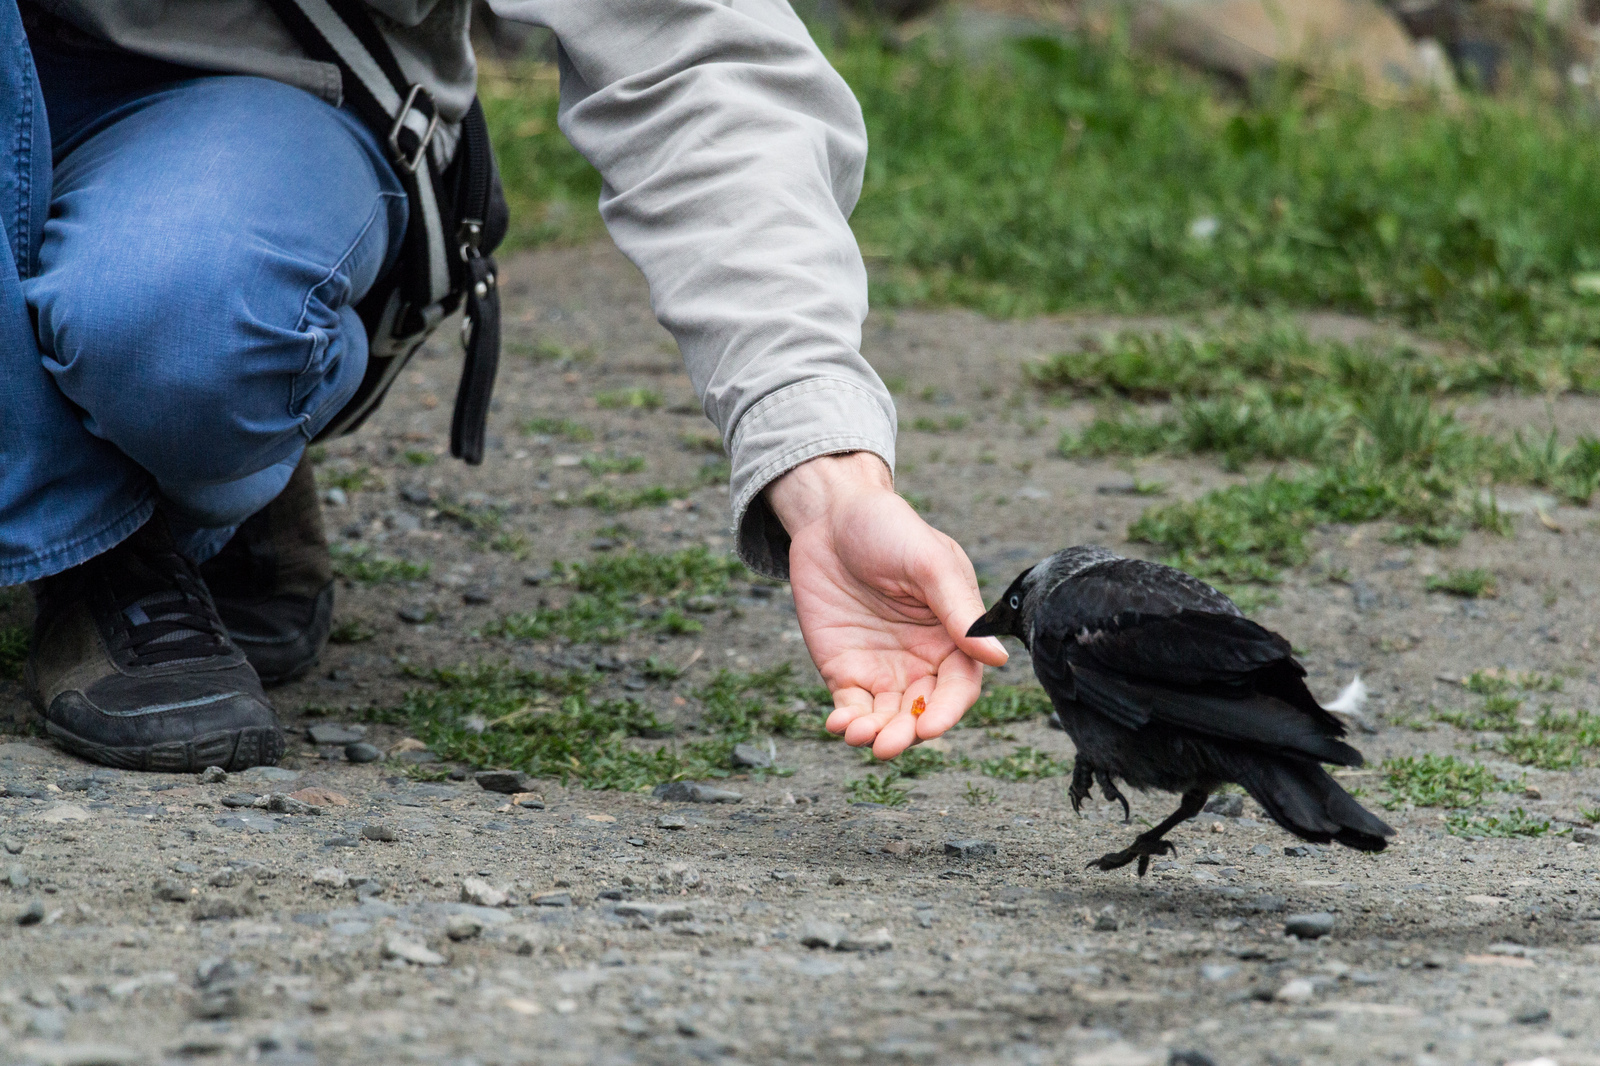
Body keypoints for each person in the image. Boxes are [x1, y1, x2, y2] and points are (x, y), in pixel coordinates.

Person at [1, 0, 1008, 772]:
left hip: (242, 89)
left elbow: (689, 48)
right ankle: (75, 508)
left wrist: (826, 471)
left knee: (191, 334)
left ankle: (147, 515)